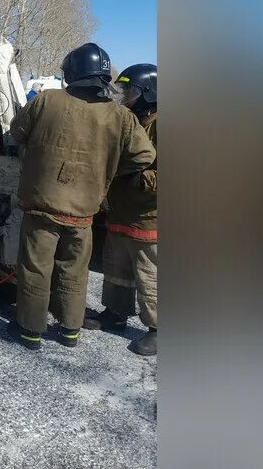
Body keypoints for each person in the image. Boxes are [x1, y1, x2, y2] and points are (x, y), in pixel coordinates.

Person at [8, 43, 156, 350]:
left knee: (36, 269)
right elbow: (144, 155)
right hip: (84, 213)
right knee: (74, 270)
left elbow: (16, 133)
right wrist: (110, 168)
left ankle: (30, 332)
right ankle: (70, 330)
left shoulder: (46, 100)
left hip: (41, 208)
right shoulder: (120, 116)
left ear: (71, 73)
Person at [83, 63, 158, 356]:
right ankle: (115, 313)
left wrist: (138, 179)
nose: (125, 96)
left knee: (149, 274)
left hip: (148, 216)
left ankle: (157, 327)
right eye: (123, 90)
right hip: (120, 212)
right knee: (117, 268)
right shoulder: (132, 120)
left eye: (130, 91)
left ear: (149, 93)